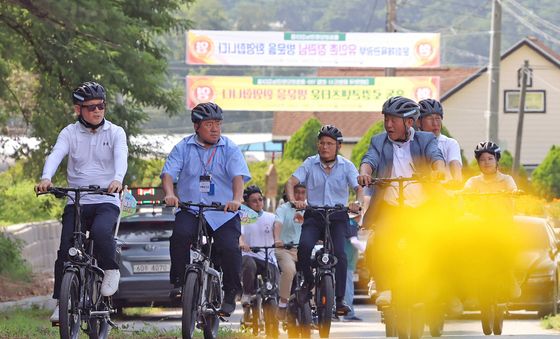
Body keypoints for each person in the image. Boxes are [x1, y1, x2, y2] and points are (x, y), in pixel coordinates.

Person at [35, 81, 128, 322]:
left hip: (106, 199)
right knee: (65, 249)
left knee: (100, 231)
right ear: (79, 110)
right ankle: (61, 302)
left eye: (101, 106)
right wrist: (46, 178)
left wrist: (117, 179)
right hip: (76, 201)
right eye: (91, 107)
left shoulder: (116, 132)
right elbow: (56, 153)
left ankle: (110, 270)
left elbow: (121, 156)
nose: (97, 111)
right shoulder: (69, 132)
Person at [161, 102, 251, 316]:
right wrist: (170, 194)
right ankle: (180, 282)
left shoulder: (229, 147)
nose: (215, 129)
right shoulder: (183, 147)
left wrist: (237, 200)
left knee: (229, 248)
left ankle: (230, 292)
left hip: (223, 212)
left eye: (218, 124)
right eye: (209, 124)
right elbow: (168, 174)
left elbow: (238, 177)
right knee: (180, 236)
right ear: (196, 127)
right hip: (192, 209)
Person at [357, 96, 445, 306]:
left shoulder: (425, 139)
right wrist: (364, 173)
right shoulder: (379, 141)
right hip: (391, 206)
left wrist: (439, 171)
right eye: (386, 119)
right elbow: (369, 160)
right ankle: (384, 285)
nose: (388, 124)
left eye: (393, 119)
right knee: (379, 242)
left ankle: (430, 287)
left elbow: (436, 157)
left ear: (409, 122)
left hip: (420, 206)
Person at [286, 125, 364, 315]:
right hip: (314, 214)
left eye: (329, 143)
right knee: (304, 247)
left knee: (340, 253)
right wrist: (294, 200)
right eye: (322, 143)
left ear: (338, 146)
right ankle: (308, 282)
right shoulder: (309, 163)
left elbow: (359, 188)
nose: (325, 147)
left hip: (338, 216)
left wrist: (357, 202)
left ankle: (339, 300)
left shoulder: (347, 166)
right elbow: (291, 182)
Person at [239, 185, 280, 306]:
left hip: (268, 258)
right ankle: (247, 293)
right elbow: (240, 234)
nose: (258, 203)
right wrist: (242, 243)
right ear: (247, 203)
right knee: (249, 264)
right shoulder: (244, 217)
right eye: (254, 201)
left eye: (260, 199)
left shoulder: (272, 217)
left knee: (274, 286)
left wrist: (279, 241)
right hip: (249, 255)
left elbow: (278, 233)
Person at [273, 184, 306, 320]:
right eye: (296, 192)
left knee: (315, 271)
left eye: (303, 192)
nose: (299, 195)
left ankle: (316, 307)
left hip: (303, 250)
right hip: (285, 249)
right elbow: (278, 224)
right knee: (289, 270)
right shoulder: (283, 209)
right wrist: (277, 239)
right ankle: (282, 304)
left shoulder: (310, 209)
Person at [417, 98, 463, 183]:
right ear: (418, 122)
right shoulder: (412, 143)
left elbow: (454, 162)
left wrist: (457, 178)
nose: (435, 123)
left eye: (438, 118)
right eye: (430, 119)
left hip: (445, 193)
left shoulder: (450, 143)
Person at [342, 212, 366, 322]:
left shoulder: (348, 223)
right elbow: (354, 241)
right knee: (348, 289)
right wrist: (366, 249)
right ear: (359, 216)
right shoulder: (351, 224)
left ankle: (343, 313)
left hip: (346, 262)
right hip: (346, 263)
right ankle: (349, 314)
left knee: (345, 288)